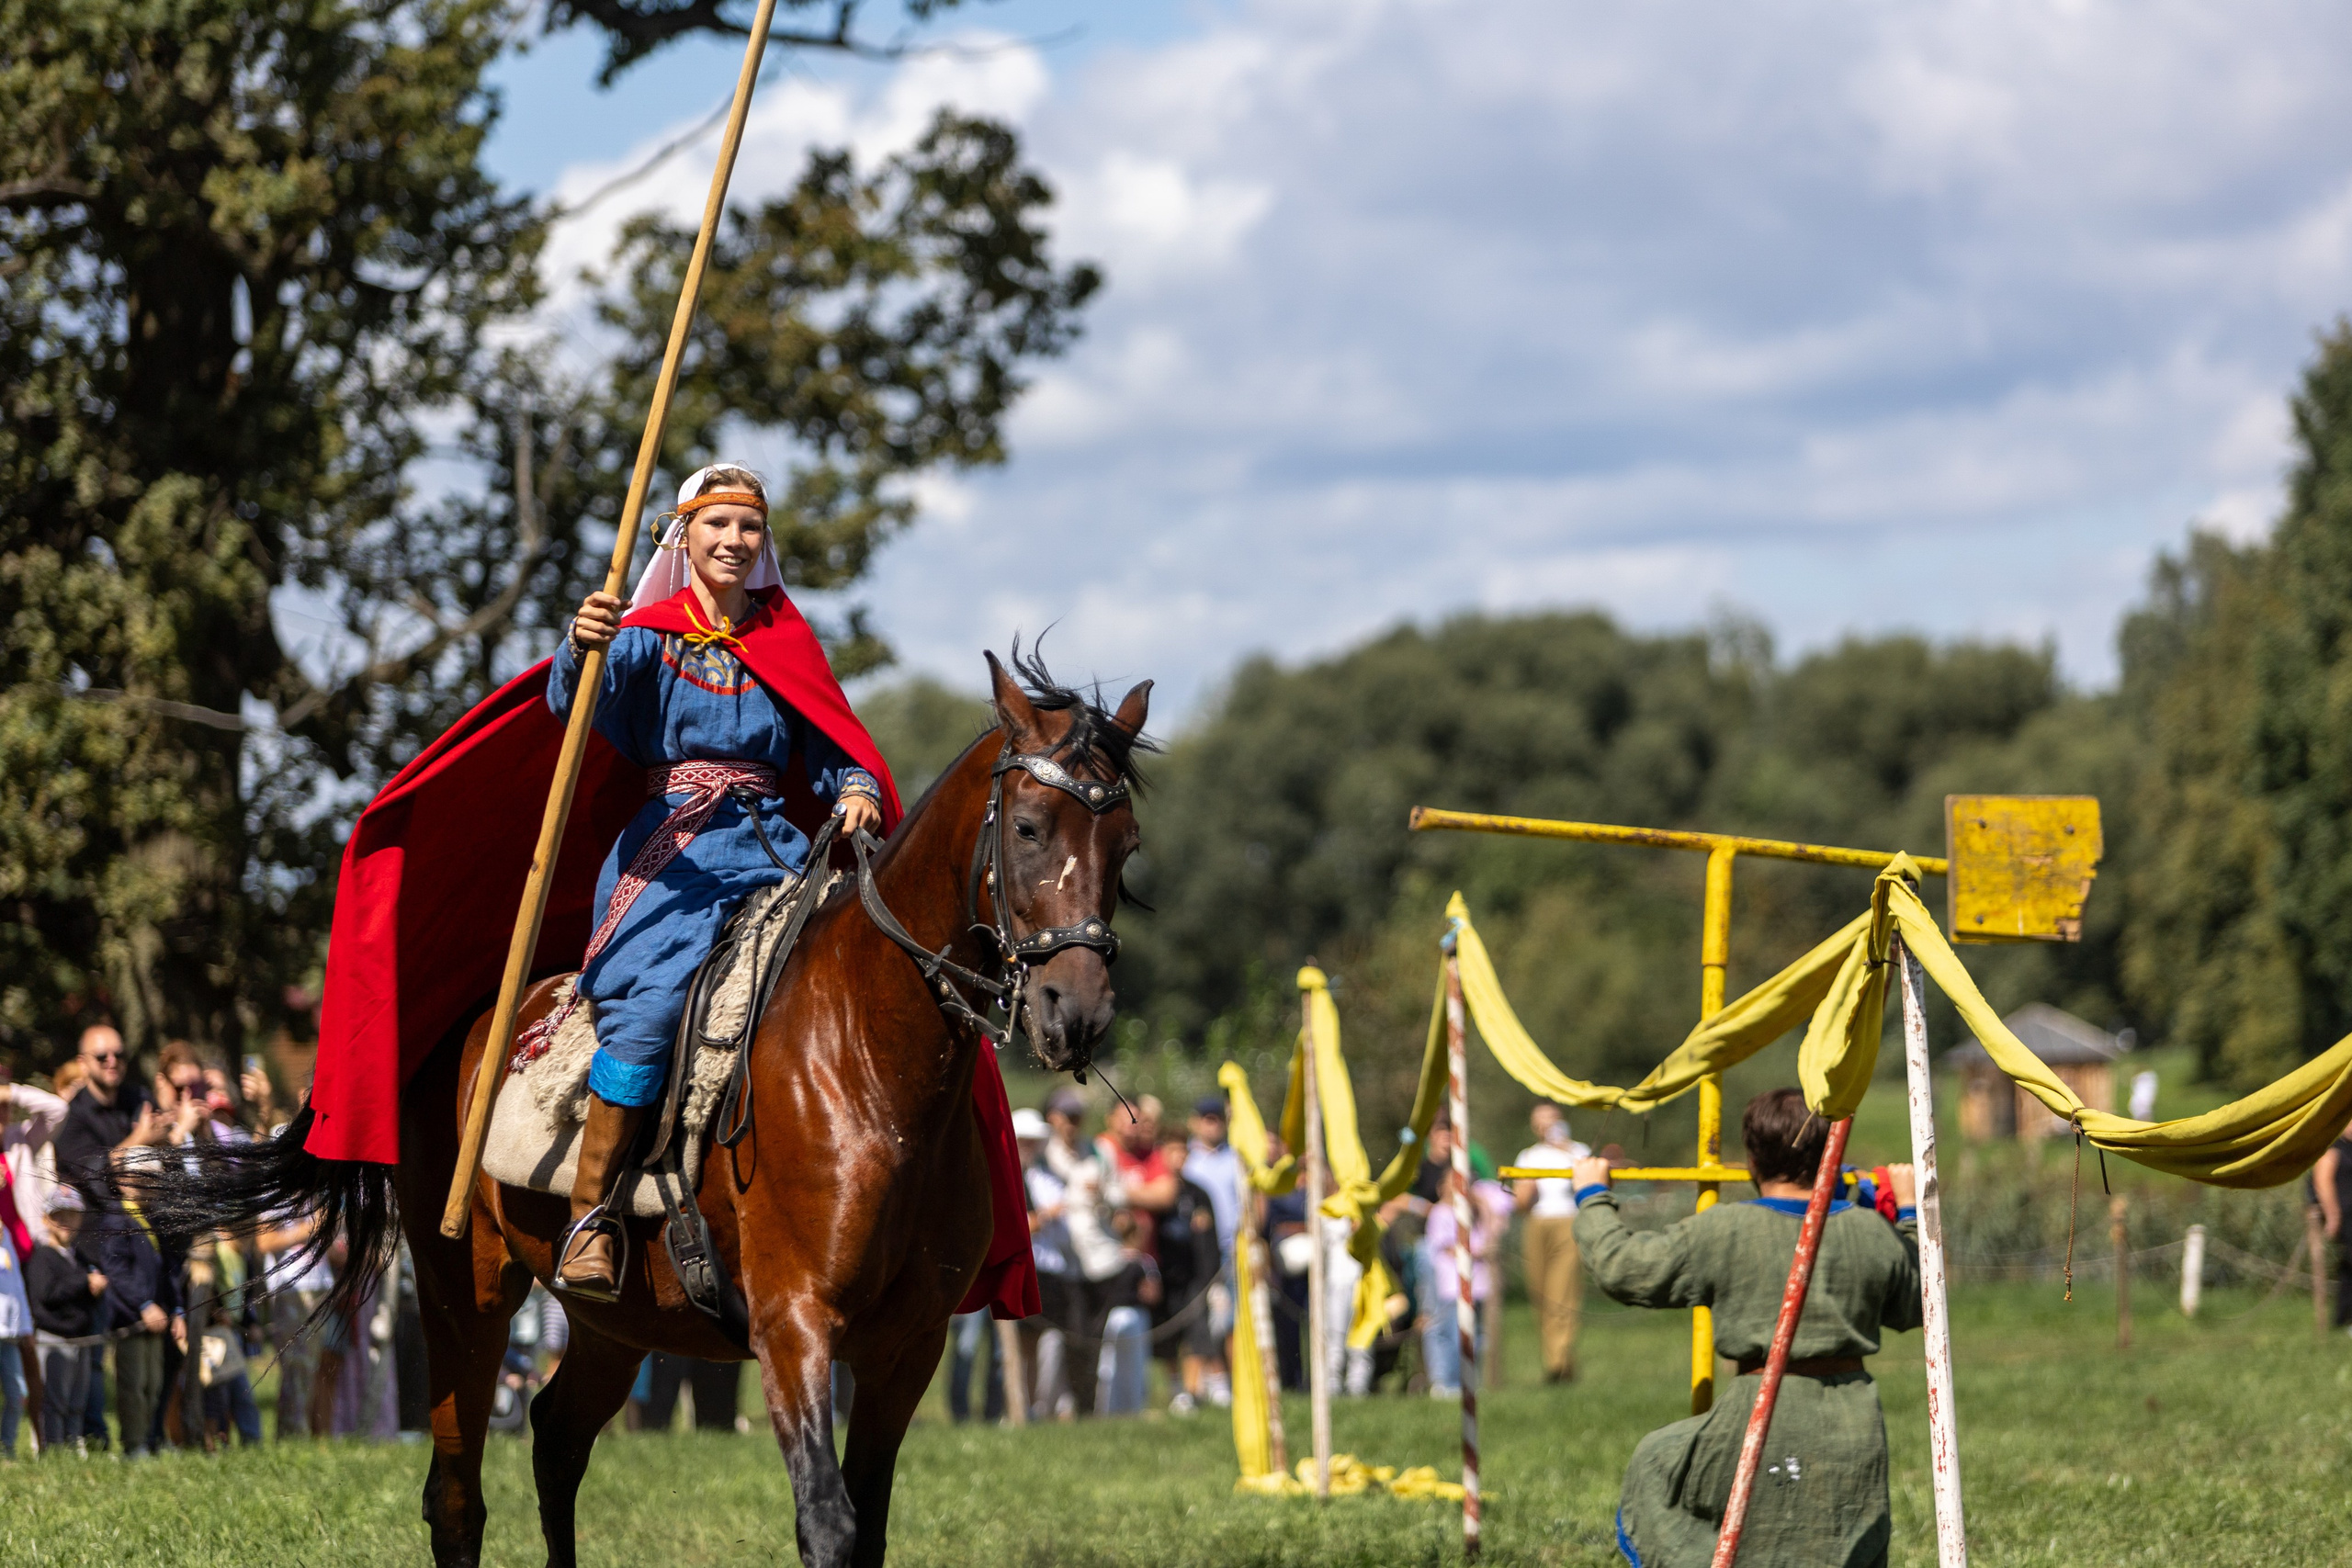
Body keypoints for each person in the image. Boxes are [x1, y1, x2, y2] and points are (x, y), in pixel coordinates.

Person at [546, 463, 888, 1301]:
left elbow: (833, 736)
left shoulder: (786, 638)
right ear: (684, 534)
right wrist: (582, 643)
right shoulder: (645, 633)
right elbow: (575, 705)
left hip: (775, 846)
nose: (735, 542)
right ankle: (590, 1219)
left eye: (749, 529)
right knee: (655, 1005)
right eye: (718, 526)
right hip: (674, 853)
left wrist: (856, 786)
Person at [1574, 1089, 1920, 1568]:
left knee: (1658, 1461)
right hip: (1854, 1422)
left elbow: (1624, 1269)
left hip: (1756, 1415)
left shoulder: (1723, 1228)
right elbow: (1918, 1301)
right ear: (1830, 1153)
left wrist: (1592, 1196)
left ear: (1752, 1159)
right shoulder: (1870, 1232)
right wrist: (1907, 1214)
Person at [1042, 1089, 1125, 1416]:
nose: (1073, 1124)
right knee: (1071, 1337)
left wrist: (1103, 1192)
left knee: (1094, 1336)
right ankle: (1065, 1403)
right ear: (1053, 1118)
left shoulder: (1099, 1150)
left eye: (1078, 1116)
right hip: (1063, 1262)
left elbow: (1120, 1193)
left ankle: (1090, 1406)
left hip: (1102, 1259)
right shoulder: (1043, 1155)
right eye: (1067, 1116)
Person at [96, 1147, 185, 1456]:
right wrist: (144, 1303)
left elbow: (169, 1269)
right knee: (133, 1387)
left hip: (158, 1320)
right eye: (140, 1177)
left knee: (153, 1384)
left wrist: (177, 1310)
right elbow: (116, 1270)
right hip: (130, 1319)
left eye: (152, 1178)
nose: (147, 1185)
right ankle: (134, 1445)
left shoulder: (154, 1219)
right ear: (122, 1179)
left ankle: (151, 1439)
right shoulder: (115, 1218)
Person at [1512, 1103, 1590, 1382]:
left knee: (1563, 1296)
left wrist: (1565, 1149)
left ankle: (1558, 1364)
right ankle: (1558, 1364)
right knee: (1541, 1296)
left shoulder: (1578, 1151)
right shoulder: (1528, 1156)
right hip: (1536, 1223)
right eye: (1539, 1121)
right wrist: (1523, 1192)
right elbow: (1521, 1202)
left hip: (1567, 1222)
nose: (1545, 1126)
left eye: (1550, 1119)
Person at [1420, 1166, 1511, 1398]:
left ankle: (1470, 1380)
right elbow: (1446, 1247)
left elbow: (1499, 1218)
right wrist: (1476, 1251)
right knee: (1454, 1335)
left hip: (1478, 1284)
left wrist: (1485, 1206)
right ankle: (1448, 1383)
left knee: (1476, 1337)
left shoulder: (1475, 1210)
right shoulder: (1441, 1213)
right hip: (1452, 1286)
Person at [51, 1025, 167, 1204]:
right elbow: (93, 1175)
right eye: (101, 1056)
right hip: (100, 1222)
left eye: (119, 1055)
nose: (112, 1061)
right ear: (83, 1063)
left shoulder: (140, 1097)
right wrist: (140, 1138)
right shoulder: (69, 1116)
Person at [27, 1188, 105, 1454]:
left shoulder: (79, 1258)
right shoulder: (42, 1257)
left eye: (72, 1216)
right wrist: (83, 1281)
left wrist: (95, 1290)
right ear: (46, 1219)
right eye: (59, 1215)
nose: (66, 1222)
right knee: (55, 1400)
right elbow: (46, 1294)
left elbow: (81, 1296)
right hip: (54, 1338)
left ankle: (73, 1447)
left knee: (76, 1400)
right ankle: (55, 1449)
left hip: (80, 1337)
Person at [1151, 1130, 1224, 1415]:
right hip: (1164, 1277)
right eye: (1172, 1151)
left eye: (1183, 1152)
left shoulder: (1198, 1193)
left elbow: (1209, 1241)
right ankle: (1174, 1387)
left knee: (1196, 1333)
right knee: (1168, 1337)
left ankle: (1193, 1392)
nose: (1178, 1158)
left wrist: (1212, 1281)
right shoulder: (1155, 1192)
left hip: (1195, 1277)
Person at [1014, 1106, 1072, 1421]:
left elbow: (1065, 1230)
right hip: (1024, 1269)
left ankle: (1043, 1405)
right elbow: (1019, 1225)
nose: (1029, 1147)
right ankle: (1018, 1405)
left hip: (1050, 1270)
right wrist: (1045, 1217)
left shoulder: (1048, 1177)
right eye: (1024, 1140)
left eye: (1033, 1141)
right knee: (1021, 1344)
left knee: (1047, 1342)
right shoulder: (1009, 1178)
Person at [2311, 1111, 2352, 1331]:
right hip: (2346, 1218)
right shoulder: (2335, 1148)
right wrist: (2333, 1215)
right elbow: (2322, 1180)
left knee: (2348, 1270)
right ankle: (2345, 1319)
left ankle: (2343, 1318)